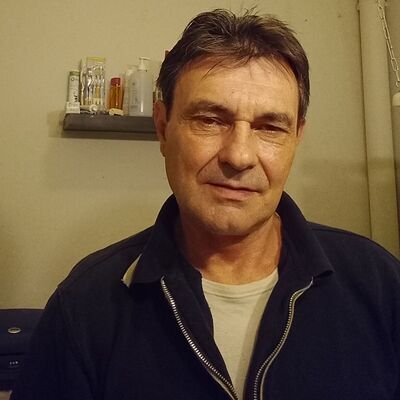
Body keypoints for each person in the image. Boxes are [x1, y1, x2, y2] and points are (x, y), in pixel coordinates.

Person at [12, 9, 400, 400]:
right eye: (210, 120)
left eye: (270, 127)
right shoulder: (85, 305)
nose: (239, 156)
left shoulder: (379, 283)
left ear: (296, 136)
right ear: (163, 128)